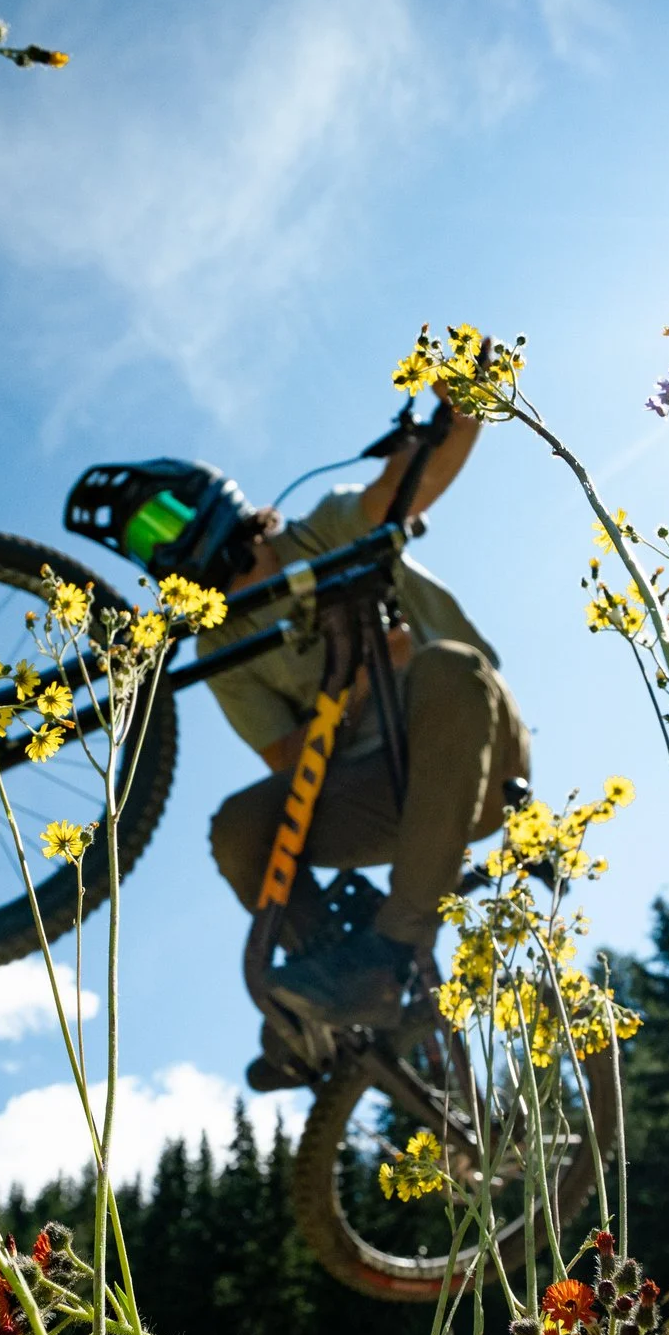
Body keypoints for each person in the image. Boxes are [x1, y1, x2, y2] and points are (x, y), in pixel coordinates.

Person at [199, 384, 529, 1089]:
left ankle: (393, 943)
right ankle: (332, 979)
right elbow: (287, 760)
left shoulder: (322, 530)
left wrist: (465, 409)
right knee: (241, 826)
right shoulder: (219, 641)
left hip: (469, 750)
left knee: (443, 666)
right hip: (371, 788)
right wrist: (346, 696)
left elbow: (405, 490)